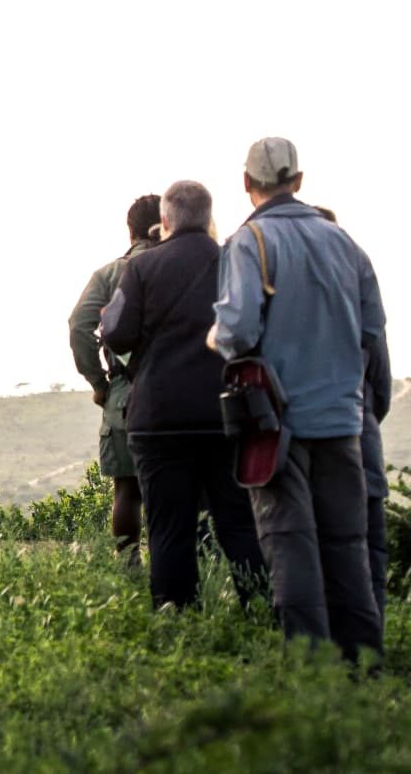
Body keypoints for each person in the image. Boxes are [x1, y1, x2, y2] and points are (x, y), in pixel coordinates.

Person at [209, 137, 385, 662]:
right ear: (299, 180)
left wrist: (215, 337)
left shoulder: (250, 243)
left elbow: (237, 332)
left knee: (292, 549)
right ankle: (362, 668)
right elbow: (372, 334)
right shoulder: (346, 243)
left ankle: (311, 676)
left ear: (246, 184)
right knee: (348, 551)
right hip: (341, 421)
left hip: (276, 427)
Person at [101, 181, 266, 609]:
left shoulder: (141, 268)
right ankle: (262, 611)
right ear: (209, 217)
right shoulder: (234, 261)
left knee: (168, 528)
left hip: (159, 416)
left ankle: (177, 617)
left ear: (165, 221)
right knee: (238, 523)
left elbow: (116, 333)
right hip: (224, 413)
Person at [312, 206, 392, 626]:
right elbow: (380, 384)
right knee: (368, 549)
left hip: (311, 445)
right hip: (361, 435)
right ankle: (369, 641)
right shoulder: (358, 287)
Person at [68, 194, 160, 561]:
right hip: (179, 388)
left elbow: (79, 327)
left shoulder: (109, 275)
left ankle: (129, 566)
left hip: (123, 393)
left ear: (131, 229)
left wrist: (100, 385)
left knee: (127, 490)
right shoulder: (181, 264)